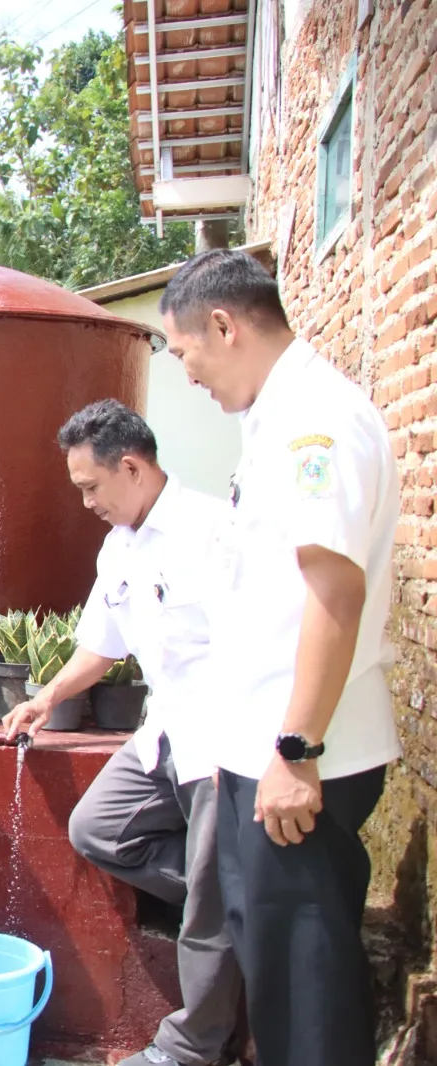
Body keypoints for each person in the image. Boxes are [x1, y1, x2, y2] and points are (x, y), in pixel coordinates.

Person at [160, 249, 398, 1066]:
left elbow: (335, 591)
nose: (186, 374)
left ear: (223, 325)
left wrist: (296, 750)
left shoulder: (314, 421)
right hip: (262, 753)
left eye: (184, 352)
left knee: (306, 992)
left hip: (297, 761)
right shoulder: (273, 419)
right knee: (277, 971)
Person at [3, 399, 241, 1066]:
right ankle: (232, 899)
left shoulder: (212, 533)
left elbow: (260, 647)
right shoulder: (120, 547)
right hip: (163, 733)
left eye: (90, 487)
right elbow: (101, 646)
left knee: (212, 906)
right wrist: (48, 695)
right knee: (97, 829)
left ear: (131, 467)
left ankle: (190, 1049)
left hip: (220, 741)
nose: (86, 504)